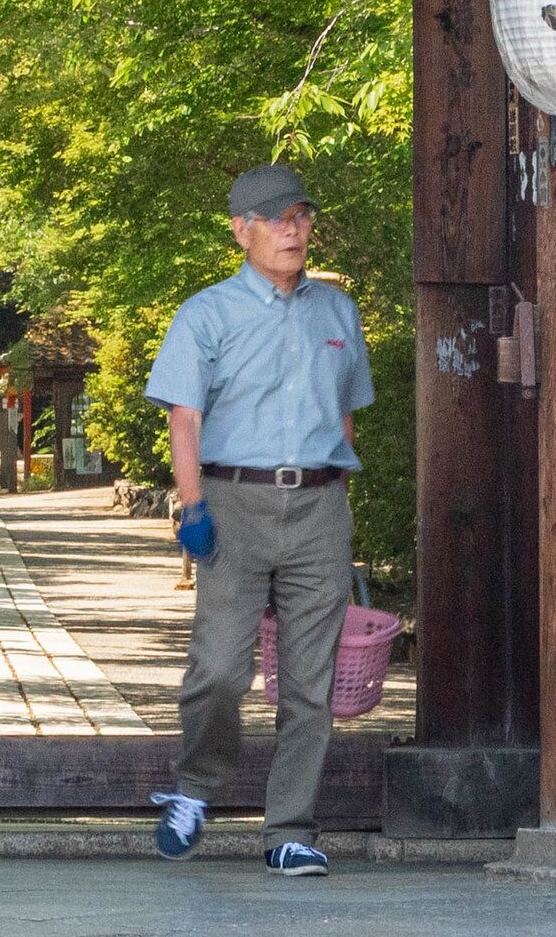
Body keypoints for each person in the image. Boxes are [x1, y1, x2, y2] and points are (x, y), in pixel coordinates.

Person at [142, 163, 373, 877]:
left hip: (318, 505)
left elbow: (346, 414)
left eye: (301, 217)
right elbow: (186, 417)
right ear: (241, 230)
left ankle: (290, 829)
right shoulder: (206, 313)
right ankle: (196, 788)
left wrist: (333, 498)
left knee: (312, 682)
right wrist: (192, 507)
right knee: (217, 668)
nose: (293, 230)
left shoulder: (338, 311)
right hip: (232, 503)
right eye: (276, 219)